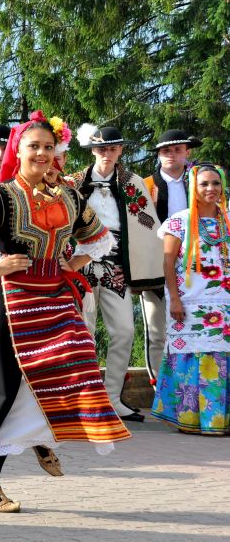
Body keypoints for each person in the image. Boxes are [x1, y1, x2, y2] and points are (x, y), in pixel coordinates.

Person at [0, 110, 130, 513]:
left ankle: (46, 436)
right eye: (33, 146)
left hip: (55, 298)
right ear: (17, 151)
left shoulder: (69, 195)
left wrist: (69, 266)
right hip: (12, 303)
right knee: (9, 391)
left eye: (47, 147)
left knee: (74, 366)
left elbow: (96, 239)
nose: (41, 153)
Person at [72, 124, 163, 422]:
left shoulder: (133, 183)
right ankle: (84, 399)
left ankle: (112, 398)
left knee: (124, 331)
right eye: (101, 149)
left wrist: (137, 264)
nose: (107, 154)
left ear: (121, 150)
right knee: (82, 332)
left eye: (112, 148)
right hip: (80, 266)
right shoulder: (72, 183)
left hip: (116, 267)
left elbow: (148, 225)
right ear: (92, 151)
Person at [151, 164, 230, 435]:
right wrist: (174, 299)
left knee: (222, 356)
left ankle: (220, 421)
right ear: (193, 188)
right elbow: (168, 263)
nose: (211, 189)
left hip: (225, 305)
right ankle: (191, 420)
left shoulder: (228, 220)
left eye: (216, 184)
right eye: (204, 184)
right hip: (189, 305)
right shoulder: (179, 221)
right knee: (191, 356)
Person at [142, 130, 203, 385]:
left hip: (194, 266)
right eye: (166, 150)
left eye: (177, 149)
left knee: (194, 325)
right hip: (154, 262)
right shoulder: (145, 186)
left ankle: (193, 383)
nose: (172, 155)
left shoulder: (201, 183)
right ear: (159, 154)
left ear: (187, 152)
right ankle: (160, 387)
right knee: (157, 330)